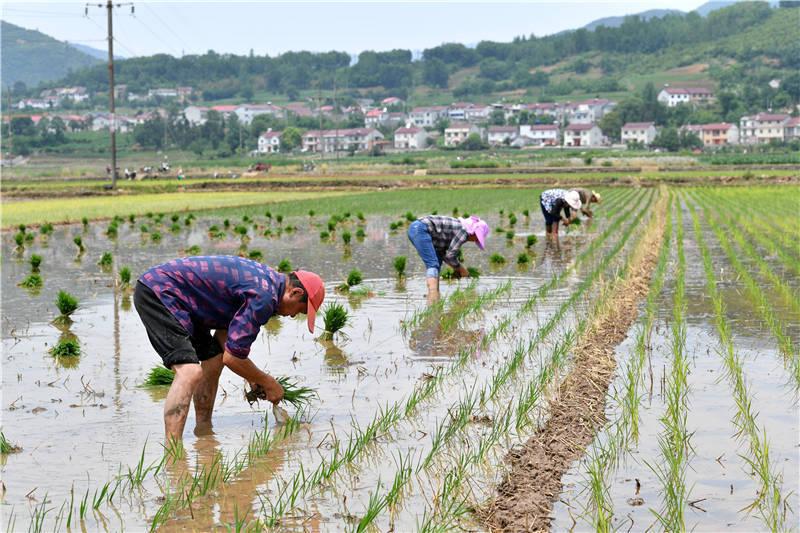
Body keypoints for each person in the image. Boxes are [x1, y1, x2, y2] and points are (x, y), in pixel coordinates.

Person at [133, 256, 325, 441]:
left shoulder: (267, 283)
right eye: (299, 310)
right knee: (189, 372)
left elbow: (226, 344)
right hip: (161, 292)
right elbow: (233, 358)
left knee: (213, 360)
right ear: (296, 293)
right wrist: (268, 382)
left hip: (186, 301)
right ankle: (174, 456)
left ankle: (204, 431)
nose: (292, 316)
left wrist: (252, 377)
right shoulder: (265, 297)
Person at [407, 214, 489, 302]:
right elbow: (450, 256)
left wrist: (456, 271)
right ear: (474, 232)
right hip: (421, 229)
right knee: (432, 264)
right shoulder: (464, 231)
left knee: (437, 263)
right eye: (477, 238)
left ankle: (435, 296)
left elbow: (444, 255)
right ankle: (433, 296)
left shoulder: (459, 229)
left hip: (417, 228)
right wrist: (462, 270)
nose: (475, 241)